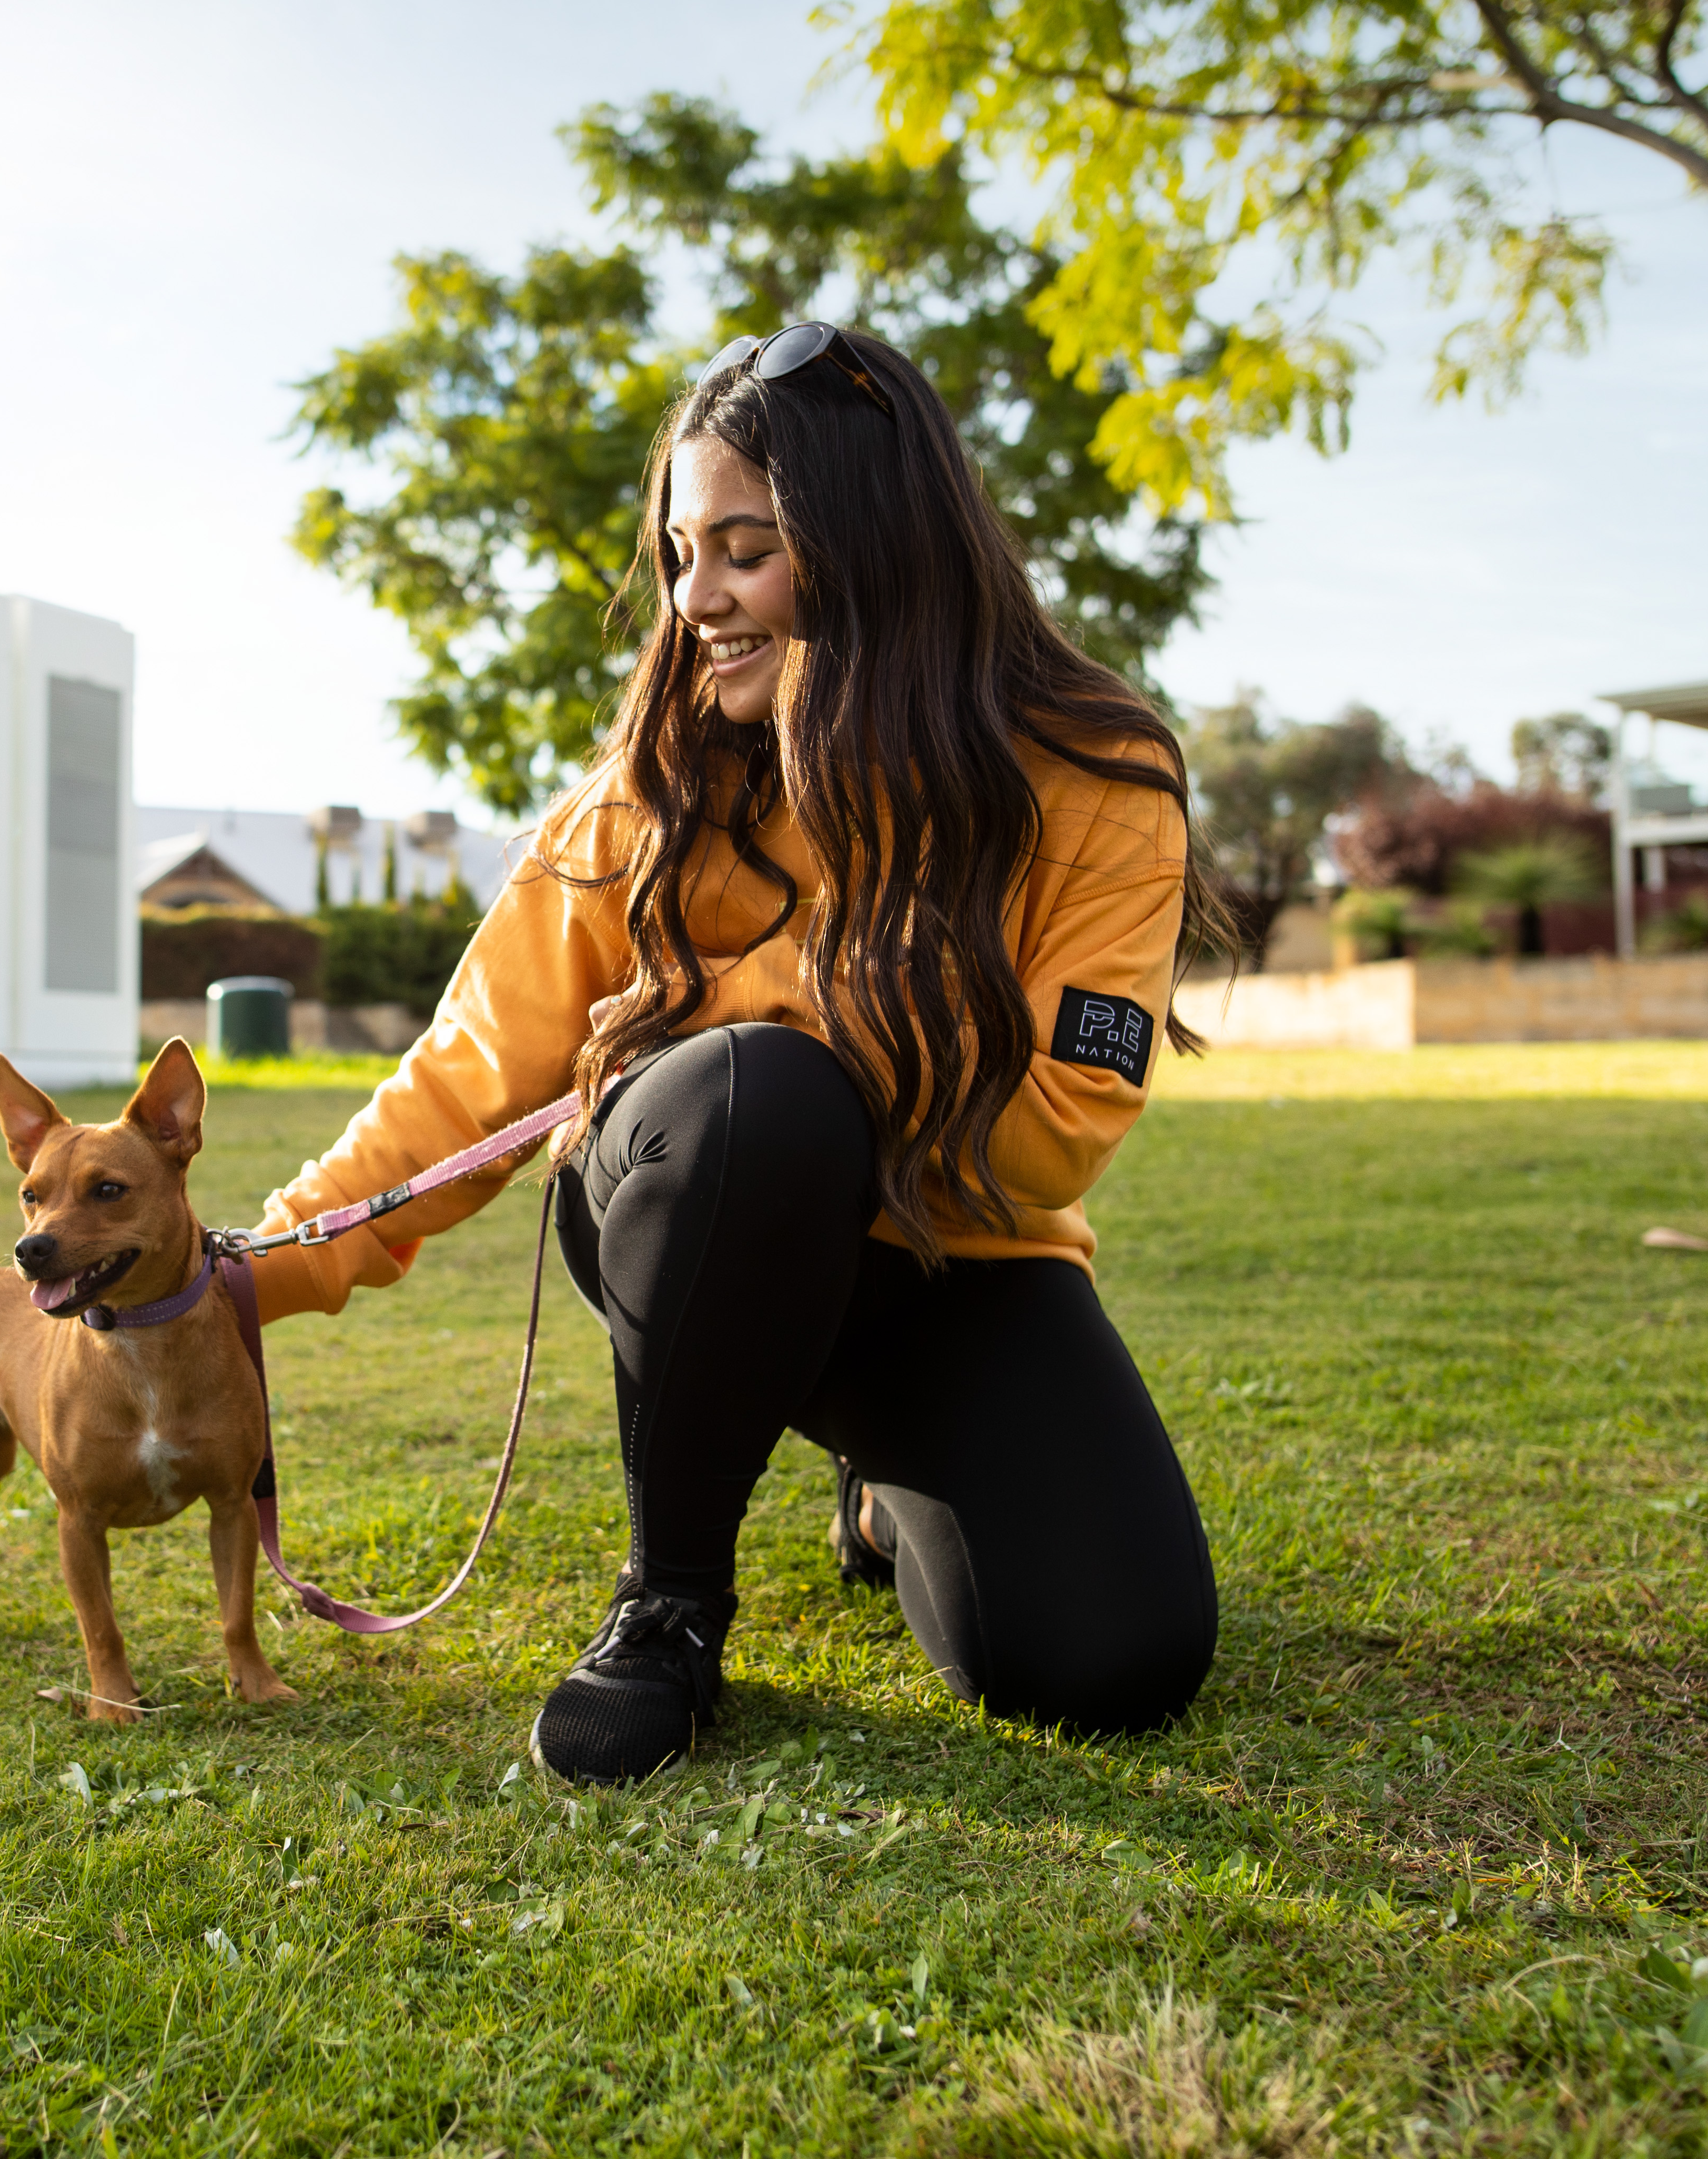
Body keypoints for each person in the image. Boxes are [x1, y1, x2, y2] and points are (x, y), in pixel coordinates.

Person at [242, 322, 1221, 1785]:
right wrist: (260, 1266)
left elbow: (1049, 1139)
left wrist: (819, 942)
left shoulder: (1097, 775)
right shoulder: (652, 788)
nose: (695, 599)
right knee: (757, 1096)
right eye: (682, 553)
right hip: (695, 1203)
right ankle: (672, 1610)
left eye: (745, 551)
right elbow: (476, 1065)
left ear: (870, 544)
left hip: (961, 1250)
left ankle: (879, 1493)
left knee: (1110, 1664)